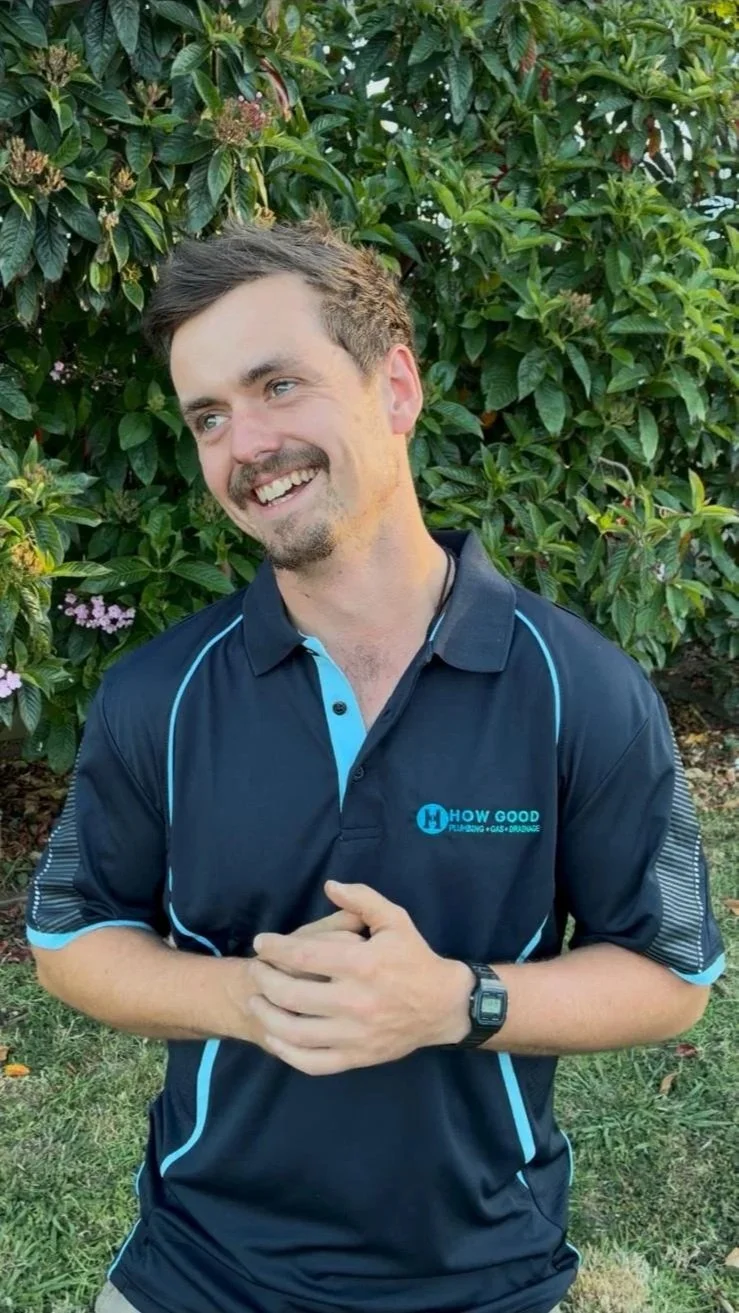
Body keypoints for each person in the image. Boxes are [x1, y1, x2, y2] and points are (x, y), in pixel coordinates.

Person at [26, 213, 725, 1313]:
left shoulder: (579, 691)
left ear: (394, 386)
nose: (245, 443)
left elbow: (671, 976)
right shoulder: (156, 695)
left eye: (278, 385)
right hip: (197, 1269)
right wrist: (249, 995)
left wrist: (457, 999)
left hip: (482, 1275)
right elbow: (70, 937)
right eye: (209, 415)